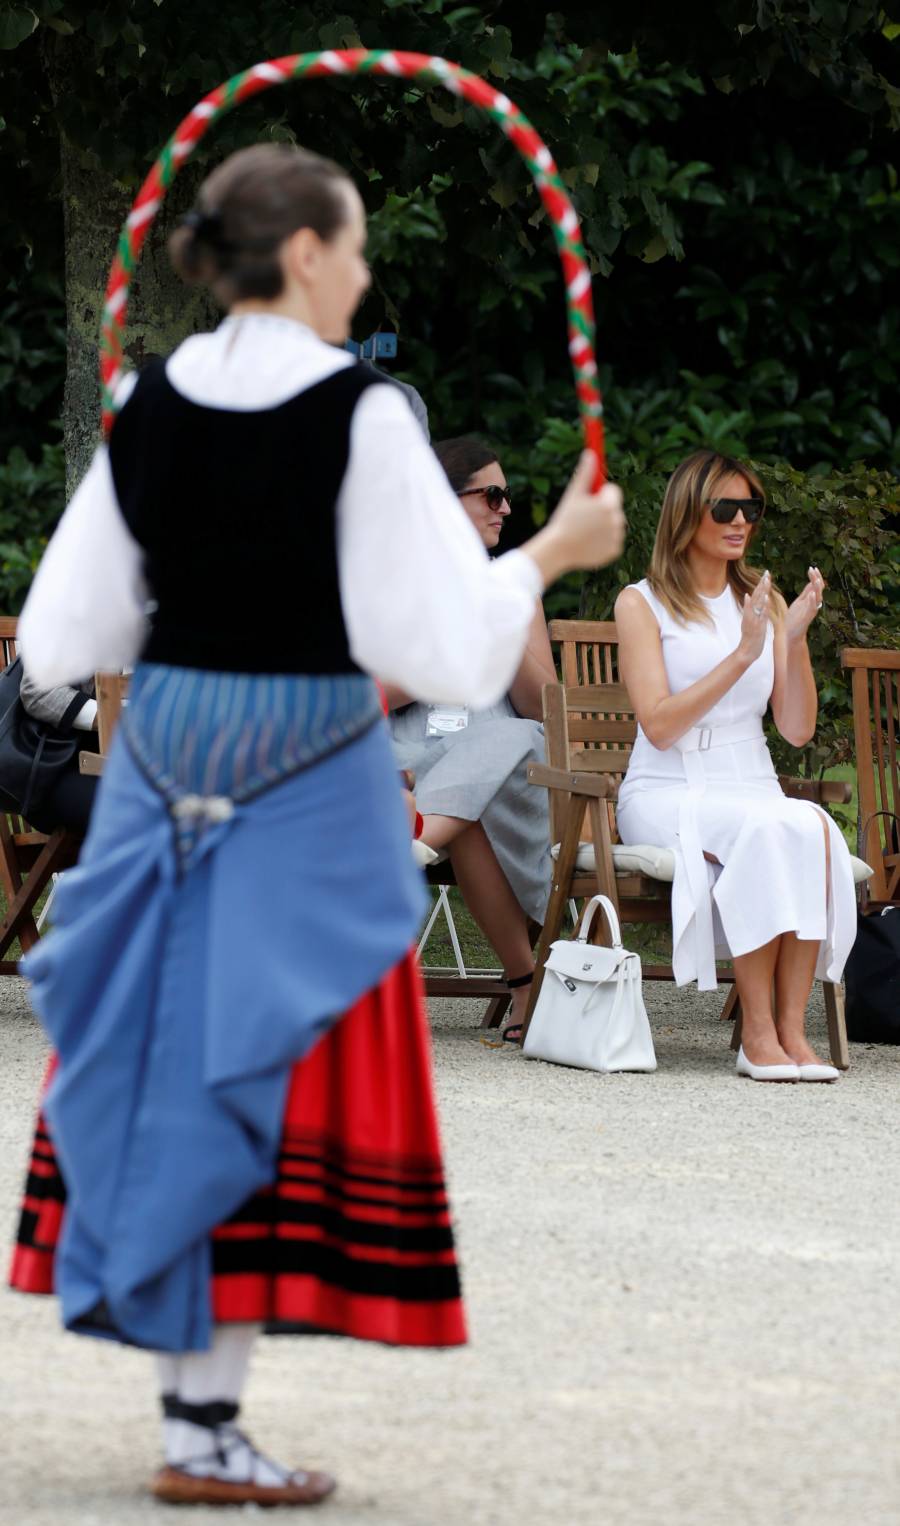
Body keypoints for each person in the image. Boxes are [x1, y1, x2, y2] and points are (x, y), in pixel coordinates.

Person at [9, 141, 626, 1508]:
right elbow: (451, 652)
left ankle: (197, 1418)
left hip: (171, 760)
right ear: (303, 253)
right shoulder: (365, 417)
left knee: (185, 1061)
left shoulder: (151, 402)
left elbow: (60, 633)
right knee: (269, 1063)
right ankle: (204, 1427)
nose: (360, 272)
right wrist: (550, 553)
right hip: (303, 762)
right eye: (350, 247)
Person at [614, 448, 855, 1083]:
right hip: (668, 789)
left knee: (808, 827)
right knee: (764, 830)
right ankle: (755, 1035)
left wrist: (792, 638)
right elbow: (660, 724)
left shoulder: (762, 600)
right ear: (687, 512)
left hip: (751, 780)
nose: (741, 520)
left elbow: (797, 728)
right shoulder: (641, 603)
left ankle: (792, 1033)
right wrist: (744, 655)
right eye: (726, 507)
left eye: (752, 507)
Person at [385, 437, 554, 1043]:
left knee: (503, 743)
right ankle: (525, 984)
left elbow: (543, 707)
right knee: (468, 802)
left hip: (502, 757)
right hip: (410, 756)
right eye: (492, 494)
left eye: (505, 497)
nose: (505, 508)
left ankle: (404, 848)